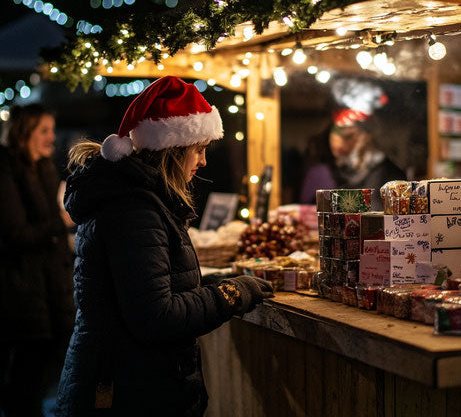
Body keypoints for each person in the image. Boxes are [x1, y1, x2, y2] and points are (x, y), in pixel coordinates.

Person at [56, 76, 274, 416]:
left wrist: (217, 283)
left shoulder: (139, 199)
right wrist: (231, 293)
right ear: (172, 149)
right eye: (199, 149)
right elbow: (157, 316)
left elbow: (157, 287)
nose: (203, 161)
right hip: (126, 391)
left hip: (132, 381)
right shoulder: (134, 209)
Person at [0, 104, 75, 417]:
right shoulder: (5, 169)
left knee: (48, 355)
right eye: (43, 130)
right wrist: (62, 221)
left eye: (52, 130)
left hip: (50, 283)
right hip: (20, 284)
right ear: (24, 132)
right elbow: (15, 233)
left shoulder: (43, 166)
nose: (51, 137)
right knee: (27, 364)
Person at [300, 108, 406, 209]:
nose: (336, 141)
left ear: (364, 137)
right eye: (333, 135)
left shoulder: (385, 172)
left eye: (347, 135)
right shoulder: (327, 170)